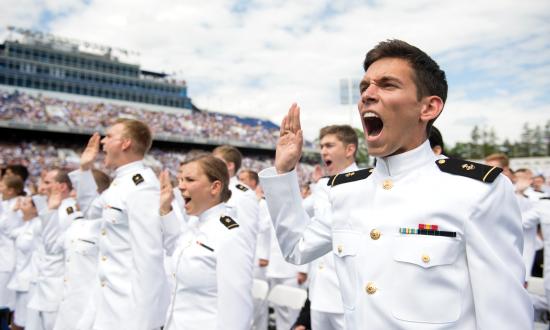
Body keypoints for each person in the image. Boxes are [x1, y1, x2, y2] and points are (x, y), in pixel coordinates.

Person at [259, 39, 532, 329]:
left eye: (388, 85)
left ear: (428, 108)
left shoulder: (477, 191)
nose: (367, 95)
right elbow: (297, 249)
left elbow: (505, 318)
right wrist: (284, 171)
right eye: (365, 87)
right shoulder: (346, 191)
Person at [77, 120, 168, 330]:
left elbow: (149, 257)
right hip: (105, 298)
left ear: (125, 143)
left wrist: (143, 322)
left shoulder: (141, 187)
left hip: (126, 305)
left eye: (109, 137)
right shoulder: (119, 184)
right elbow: (90, 211)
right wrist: (85, 169)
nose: (103, 143)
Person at [158, 155, 254, 329]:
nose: (180, 186)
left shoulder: (230, 234)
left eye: (189, 179)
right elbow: (176, 249)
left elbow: (237, 309)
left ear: (215, 187)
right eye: (180, 179)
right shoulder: (196, 222)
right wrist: (165, 208)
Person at [307, 124, 359, 330]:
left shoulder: (364, 183)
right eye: (322, 146)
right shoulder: (322, 186)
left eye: (329, 145)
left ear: (349, 149)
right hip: (319, 292)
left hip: (348, 293)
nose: (323, 151)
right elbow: (301, 221)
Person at [26, 169, 77, 330]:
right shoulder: (56, 208)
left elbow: (53, 247)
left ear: (62, 187)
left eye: (47, 183)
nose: (43, 187)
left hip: (56, 286)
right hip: (43, 282)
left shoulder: (68, 211)